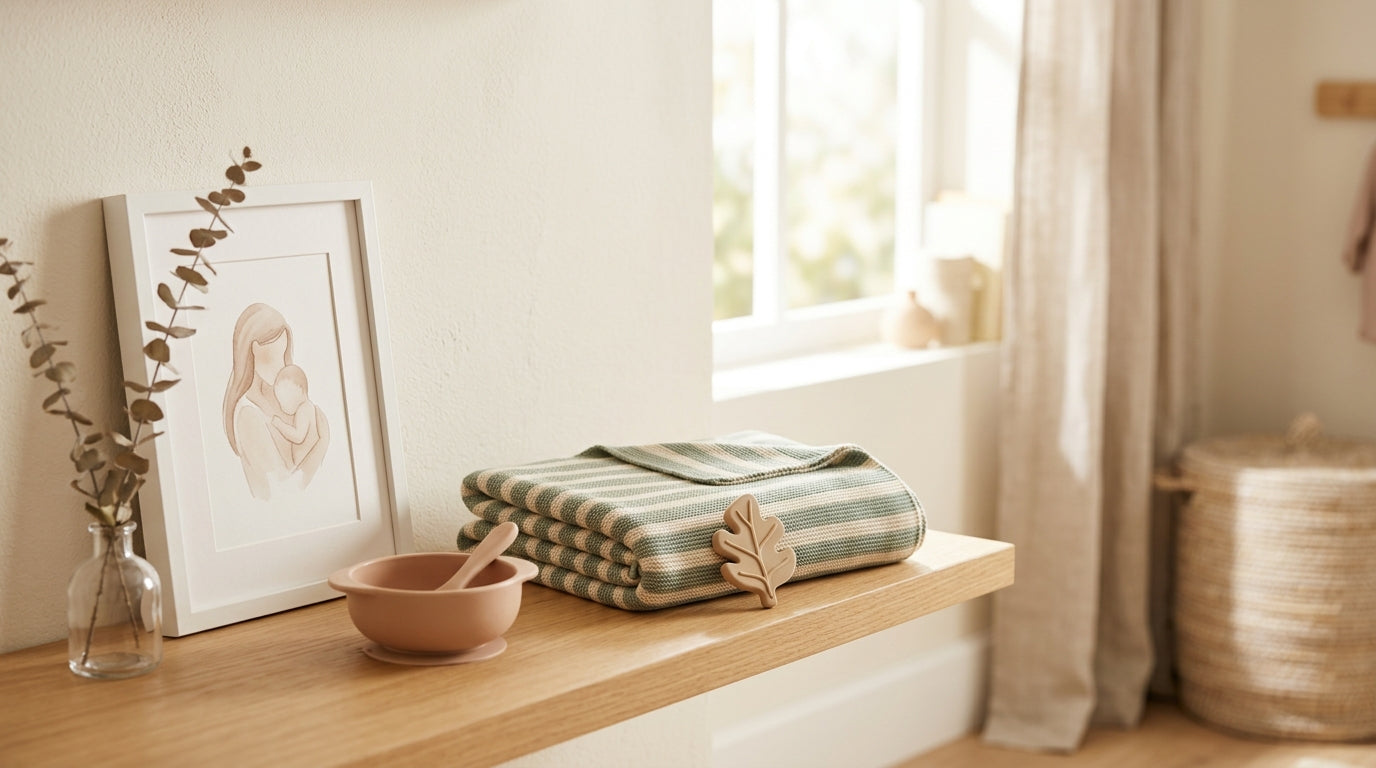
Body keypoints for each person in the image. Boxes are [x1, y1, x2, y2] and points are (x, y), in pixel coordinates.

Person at [222, 303, 329, 500]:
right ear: (250, 354)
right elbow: (282, 495)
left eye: (283, 356)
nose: (281, 368)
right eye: (271, 360)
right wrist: (321, 445)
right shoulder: (248, 414)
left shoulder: (283, 397)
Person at [269, 365, 322, 471]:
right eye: (280, 401)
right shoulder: (304, 408)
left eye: (285, 399)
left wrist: (279, 424)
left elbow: (298, 436)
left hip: (307, 465)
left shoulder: (304, 409)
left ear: (300, 390)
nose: (282, 406)